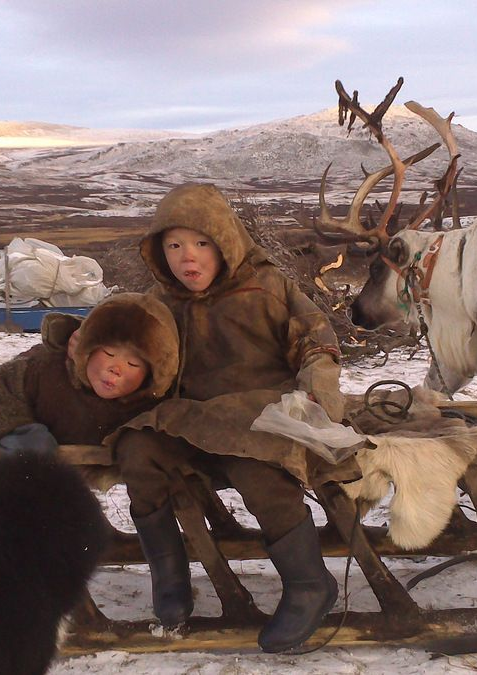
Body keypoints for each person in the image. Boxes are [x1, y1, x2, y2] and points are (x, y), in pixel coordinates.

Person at [114, 183, 359, 654]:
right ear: (159, 253)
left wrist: (317, 383)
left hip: (261, 415)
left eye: (202, 243)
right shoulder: (158, 303)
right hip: (192, 420)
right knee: (136, 447)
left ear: (225, 241)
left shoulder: (266, 287)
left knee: (256, 467)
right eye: (174, 245)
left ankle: (309, 583)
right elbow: (129, 353)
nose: (189, 258)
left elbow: (315, 338)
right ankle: (170, 573)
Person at [0, 292, 178, 459]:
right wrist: (22, 431)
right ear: (87, 349)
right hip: (36, 453)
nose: (116, 368)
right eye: (109, 353)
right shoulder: (45, 369)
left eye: (133, 364)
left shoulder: (152, 404)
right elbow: (4, 384)